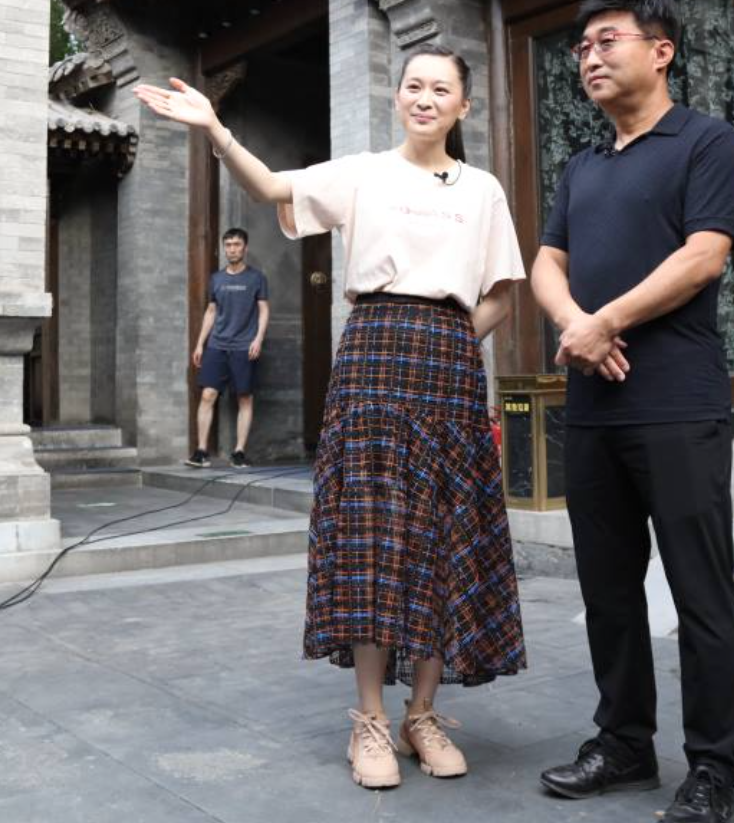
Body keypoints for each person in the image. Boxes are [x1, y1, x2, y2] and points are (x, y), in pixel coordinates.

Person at [135, 44, 526, 792]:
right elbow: (271, 185)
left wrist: (448, 339)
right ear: (398, 96)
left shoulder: (482, 190)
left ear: (463, 106)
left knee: (443, 533)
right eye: (413, 85)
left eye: (440, 89)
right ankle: (371, 719)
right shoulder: (363, 173)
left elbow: (503, 293)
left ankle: (422, 715)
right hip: (372, 353)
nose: (424, 98)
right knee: (372, 534)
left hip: (448, 362)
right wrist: (215, 128)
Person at [530, 0, 734, 823]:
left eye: (608, 40)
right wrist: (575, 324)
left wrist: (607, 321)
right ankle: (624, 744)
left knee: (700, 591)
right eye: (582, 47)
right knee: (609, 590)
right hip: (593, 407)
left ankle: (714, 769)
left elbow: (704, 256)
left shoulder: (707, 141)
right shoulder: (582, 165)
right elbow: (547, 261)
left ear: (661, 51)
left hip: (677, 403)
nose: (590, 57)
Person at [188, 228, 269, 469]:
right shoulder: (217, 279)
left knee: (244, 397)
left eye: (237, 244)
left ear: (245, 248)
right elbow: (211, 311)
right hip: (217, 345)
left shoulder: (256, 278)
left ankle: (239, 452)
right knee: (207, 395)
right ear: (224, 248)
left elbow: (264, 310)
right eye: (228, 245)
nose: (232, 249)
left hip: (244, 346)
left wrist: (258, 339)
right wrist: (200, 343)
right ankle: (201, 452)